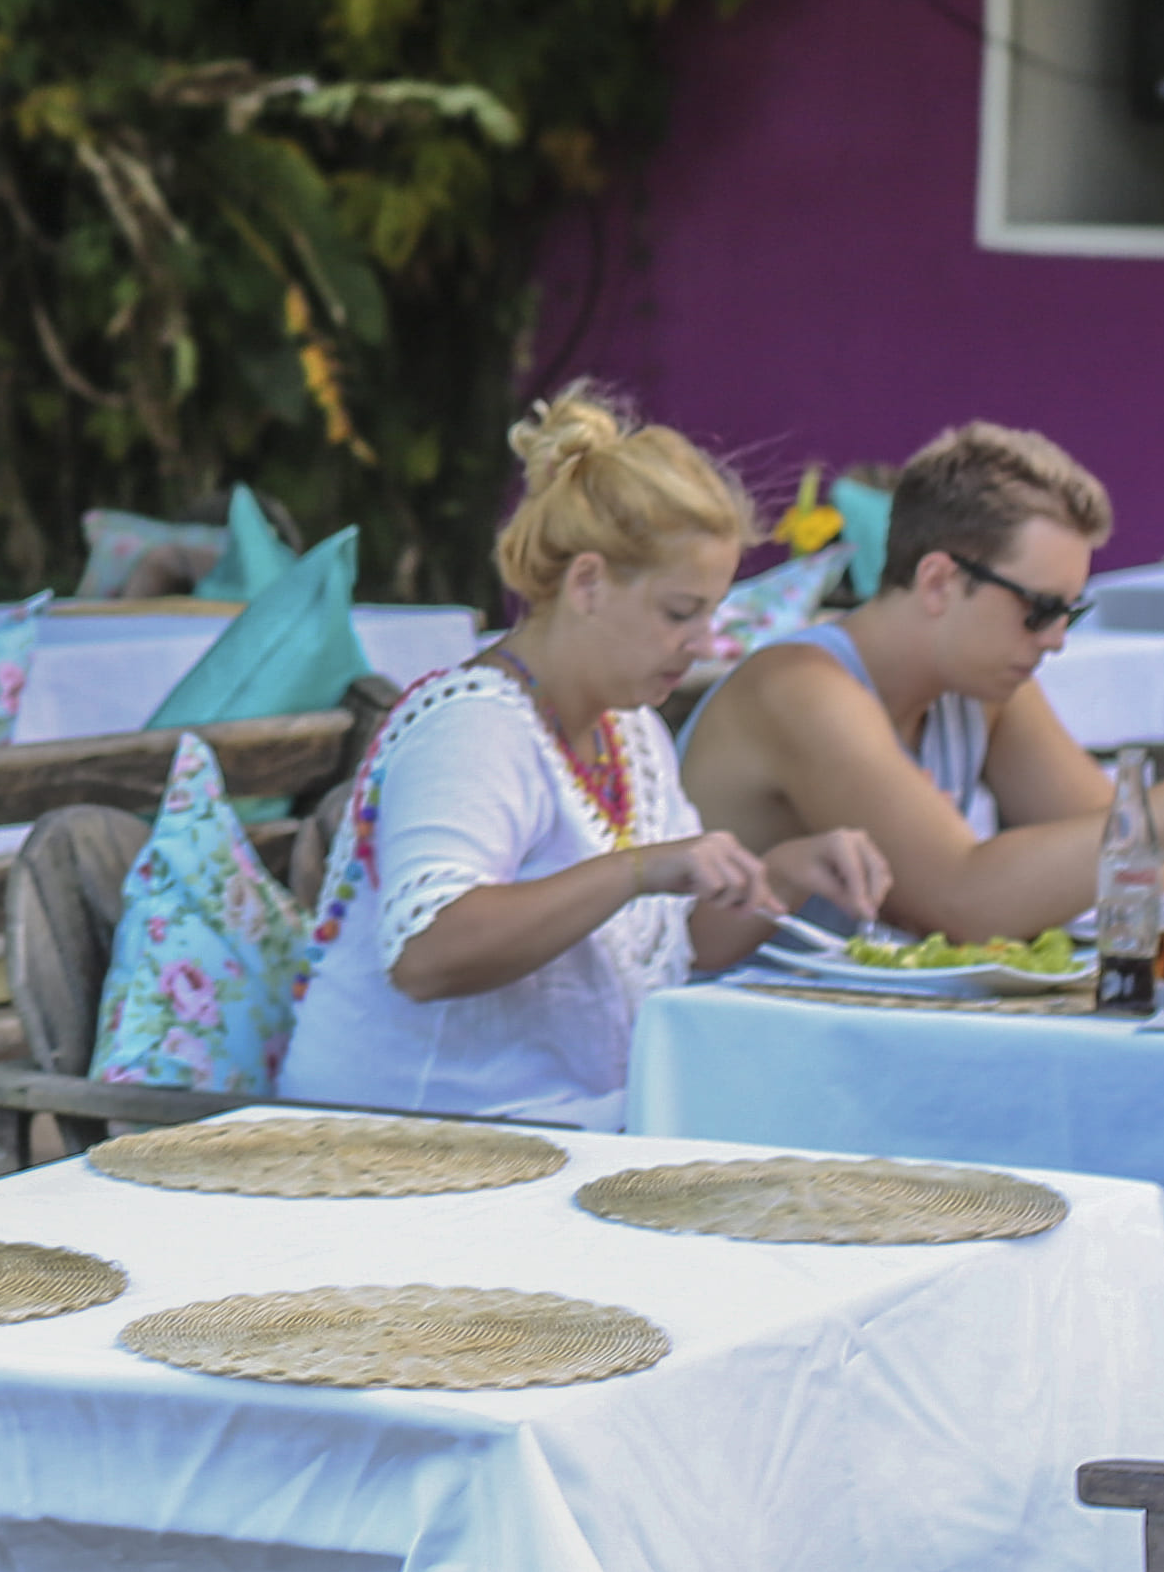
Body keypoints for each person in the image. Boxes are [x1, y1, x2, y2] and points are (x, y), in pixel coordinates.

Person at [277, 390, 892, 1127]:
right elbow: (428, 950)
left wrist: (789, 873)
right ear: (588, 583)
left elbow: (673, 945)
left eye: (711, 613)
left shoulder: (629, 732)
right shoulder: (474, 725)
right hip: (399, 1146)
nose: (705, 643)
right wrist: (638, 869)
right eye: (680, 612)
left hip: (546, 1130)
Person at [683, 421, 1164, 940]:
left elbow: (1134, 872)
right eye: (1039, 608)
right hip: (714, 1057)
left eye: (1071, 610)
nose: (1056, 638)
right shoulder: (803, 688)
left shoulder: (982, 688)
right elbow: (960, 900)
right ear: (939, 580)